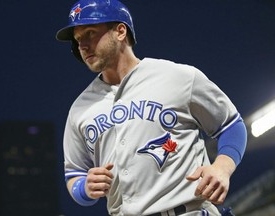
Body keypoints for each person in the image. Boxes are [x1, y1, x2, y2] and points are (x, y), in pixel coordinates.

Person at [56, 0, 247, 215]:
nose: (82, 45)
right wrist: (85, 187)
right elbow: (74, 173)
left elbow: (231, 124)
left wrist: (222, 167)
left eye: (90, 33)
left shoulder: (177, 77)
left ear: (120, 31)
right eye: (78, 38)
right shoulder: (80, 108)